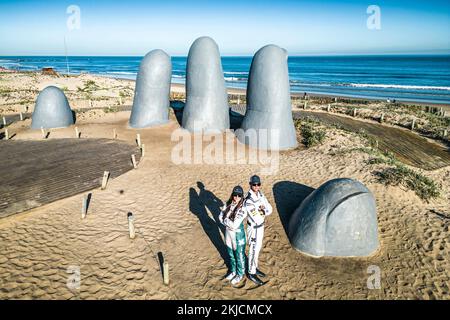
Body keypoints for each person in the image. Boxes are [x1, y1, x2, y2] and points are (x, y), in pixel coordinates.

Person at [244, 175, 272, 286]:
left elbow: (270, 209)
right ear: (250, 184)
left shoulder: (261, 194)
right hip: (254, 228)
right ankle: (251, 273)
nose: (256, 186)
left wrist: (263, 210)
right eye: (254, 184)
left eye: (258, 184)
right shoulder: (248, 200)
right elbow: (257, 217)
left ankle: (254, 268)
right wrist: (263, 210)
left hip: (261, 227)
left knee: (257, 249)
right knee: (253, 250)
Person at [219, 185, 247, 286]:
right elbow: (219, 217)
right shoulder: (227, 203)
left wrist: (225, 220)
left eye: (239, 195)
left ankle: (240, 274)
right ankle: (233, 271)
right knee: (230, 253)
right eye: (235, 195)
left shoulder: (243, 208)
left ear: (242, 196)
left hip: (238, 235)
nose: (236, 197)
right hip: (228, 233)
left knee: (239, 255)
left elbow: (234, 225)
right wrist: (226, 221)